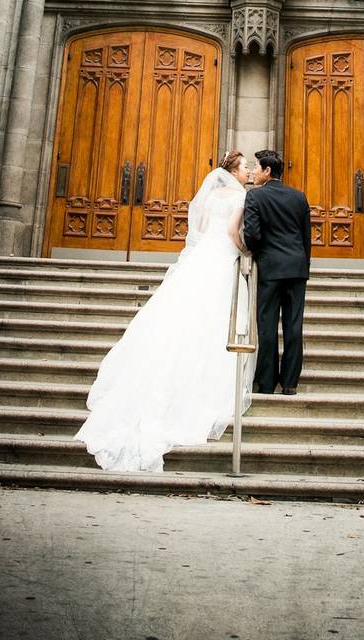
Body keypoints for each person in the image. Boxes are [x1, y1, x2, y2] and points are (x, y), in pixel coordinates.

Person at [75, 151, 254, 472]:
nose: (248, 172)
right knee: (211, 320)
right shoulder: (239, 196)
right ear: (234, 171)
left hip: (202, 258)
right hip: (222, 257)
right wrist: (245, 251)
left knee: (182, 316)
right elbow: (232, 233)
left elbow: (198, 229)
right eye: (244, 167)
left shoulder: (210, 193)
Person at [242, 150, 312, 395]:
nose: (255, 173)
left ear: (267, 171)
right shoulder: (299, 197)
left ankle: (267, 382)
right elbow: (305, 238)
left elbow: (251, 234)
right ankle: (290, 383)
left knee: (267, 326)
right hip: (296, 269)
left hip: (270, 270)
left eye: (257, 168)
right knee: (294, 326)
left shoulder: (255, 197)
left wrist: (259, 253)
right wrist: (304, 267)